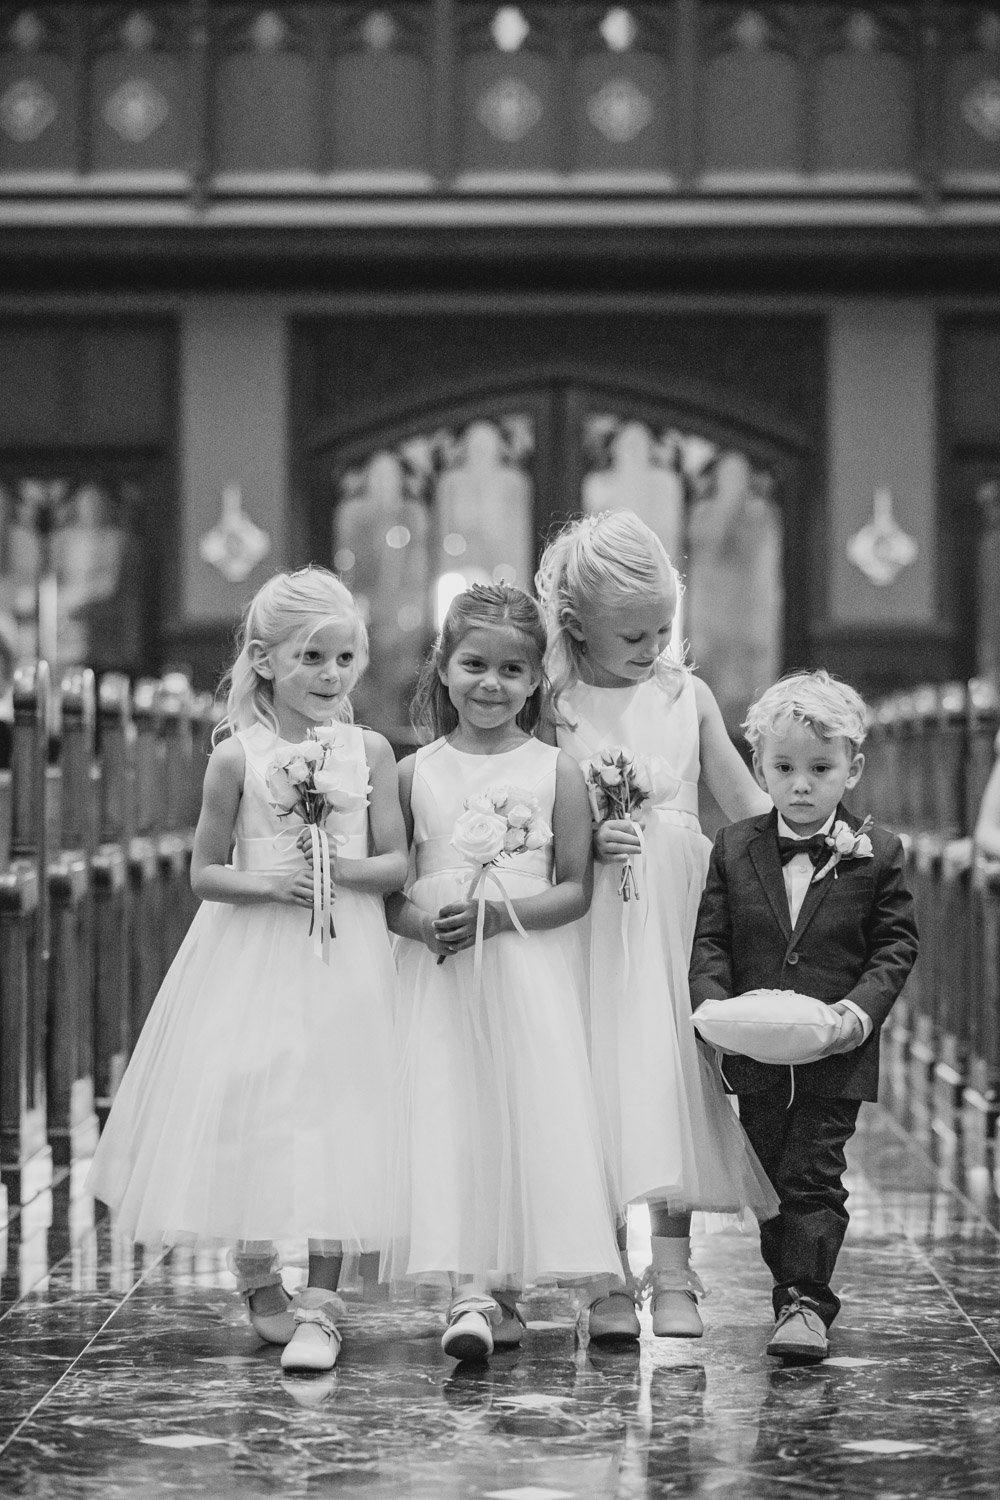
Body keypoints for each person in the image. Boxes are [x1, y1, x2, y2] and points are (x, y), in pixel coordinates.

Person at [87, 566, 408, 1374]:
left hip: (348, 956)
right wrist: (274, 881)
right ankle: (260, 1270)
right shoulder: (237, 757)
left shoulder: (368, 750)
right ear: (264, 660)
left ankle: (326, 1303)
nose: (331, 676)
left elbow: (397, 863)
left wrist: (336, 864)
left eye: (344, 659)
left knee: (343, 1115)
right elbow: (204, 873)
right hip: (254, 954)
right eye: (311, 659)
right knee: (258, 1108)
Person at [536, 510, 779, 1344]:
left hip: (677, 914)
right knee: (594, 1079)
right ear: (576, 627)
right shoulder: (555, 705)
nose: (652, 647)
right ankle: (606, 1277)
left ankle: (676, 1273)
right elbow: (535, 810)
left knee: (669, 1078)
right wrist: (583, 836)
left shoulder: (686, 695)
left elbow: (746, 807)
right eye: (632, 635)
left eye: (663, 629)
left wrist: (821, 845)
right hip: (588, 914)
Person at [384, 581, 624, 1362]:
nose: (491, 684)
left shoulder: (556, 770)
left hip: (526, 974)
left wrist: (496, 917)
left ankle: (511, 1283)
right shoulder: (414, 772)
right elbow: (392, 894)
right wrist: (422, 923)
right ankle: (467, 1290)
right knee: (449, 1115)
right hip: (441, 977)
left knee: (525, 1116)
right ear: (443, 669)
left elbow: (575, 890)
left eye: (511, 672)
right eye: (473, 665)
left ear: (533, 684)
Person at [689, 670, 918, 1362]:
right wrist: (711, 1003)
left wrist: (859, 1011)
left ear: (853, 768)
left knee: (814, 1172)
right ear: (759, 765)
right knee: (767, 1177)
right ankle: (787, 1283)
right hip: (754, 1050)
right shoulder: (734, 847)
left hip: (835, 1050)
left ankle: (806, 1300)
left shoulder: (878, 854)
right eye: (784, 768)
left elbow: (895, 945)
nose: (801, 784)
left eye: (820, 769)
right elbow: (712, 938)